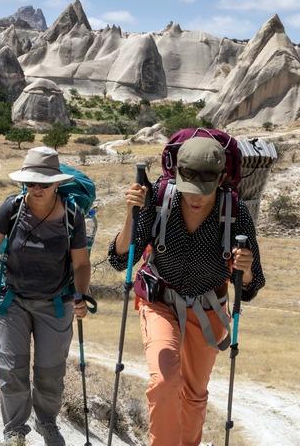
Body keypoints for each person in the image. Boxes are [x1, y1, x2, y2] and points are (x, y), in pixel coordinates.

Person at [108, 137, 265, 446]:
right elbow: (119, 258)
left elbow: (250, 286)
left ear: (220, 180)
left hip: (208, 310)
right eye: (189, 187)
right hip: (160, 303)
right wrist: (132, 212)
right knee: (165, 383)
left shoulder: (235, 211)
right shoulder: (158, 198)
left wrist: (244, 267)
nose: (195, 197)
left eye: (204, 190)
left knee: (194, 395)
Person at [0, 146, 91, 446]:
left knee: (51, 372)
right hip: (11, 301)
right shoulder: (12, 208)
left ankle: (46, 422)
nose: (36, 189)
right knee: (12, 369)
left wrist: (81, 296)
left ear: (57, 184)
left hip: (56, 304)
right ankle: (14, 431)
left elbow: (81, 263)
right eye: (30, 183)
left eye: (44, 183)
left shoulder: (72, 215)